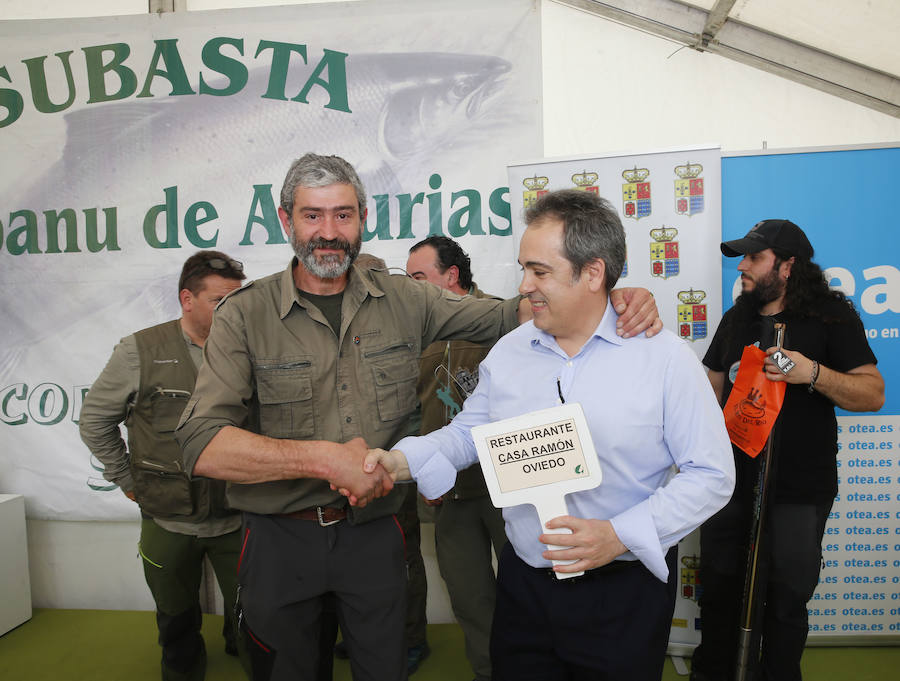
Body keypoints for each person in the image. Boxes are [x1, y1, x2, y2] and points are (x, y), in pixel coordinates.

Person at [174, 154, 661, 681]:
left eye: (343, 215)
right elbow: (200, 444)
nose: (329, 233)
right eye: (312, 216)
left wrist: (611, 295)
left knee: (387, 669)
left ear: (363, 216)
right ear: (286, 220)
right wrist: (323, 460)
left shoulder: (406, 298)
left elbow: (514, 313)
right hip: (279, 539)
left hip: (374, 535)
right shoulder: (244, 315)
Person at [357, 189, 735, 680]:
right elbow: (470, 434)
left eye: (540, 271)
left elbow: (711, 476)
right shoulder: (511, 352)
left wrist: (617, 536)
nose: (524, 285)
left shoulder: (664, 358)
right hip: (524, 587)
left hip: (623, 591)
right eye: (523, 269)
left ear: (593, 273)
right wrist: (399, 460)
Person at [690, 219, 884, 681]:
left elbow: (872, 393)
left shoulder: (831, 316)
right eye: (744, 257)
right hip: (729, 484)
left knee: (786, 599)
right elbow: (708, 390)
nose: (743, 266)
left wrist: (811, 372)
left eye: (754, 257)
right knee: (718, 591)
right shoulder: (736, 318)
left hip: (800, 488)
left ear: (788, 265)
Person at [79, 251, 247, 681]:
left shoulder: (250, 347)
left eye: (237, 299)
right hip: (168, 518)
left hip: (239, 514)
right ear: (186, 299)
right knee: (175, 618)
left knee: (254, 612)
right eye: (218, 300)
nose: (231, 309)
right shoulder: (140, 350)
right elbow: (95, 420)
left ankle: (241, 646)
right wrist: (126, 478)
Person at [405, 235, 507, 681]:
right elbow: (408, 408)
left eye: (417, 279)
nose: (408, 290)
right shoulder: (412, 331)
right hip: (450, 493)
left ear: (451, 276)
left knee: (531, 590)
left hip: (508, 487)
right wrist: (422, 474)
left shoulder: (506, 319)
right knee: (469, 597)